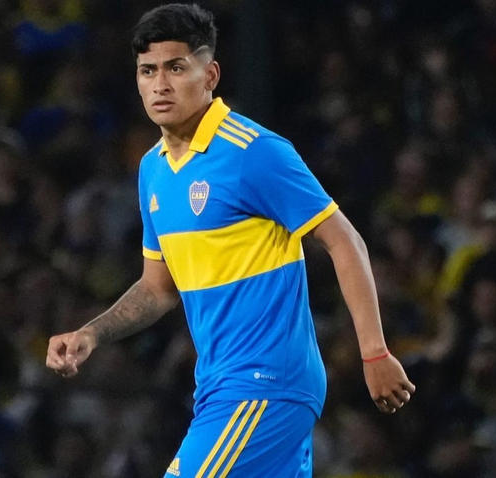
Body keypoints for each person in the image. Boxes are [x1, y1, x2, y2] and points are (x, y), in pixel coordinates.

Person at [46, 4, 416, 477]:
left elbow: (345, 241)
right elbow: (158, 288)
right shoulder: (153, 169)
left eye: (176, 67)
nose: (160, 84)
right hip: (220, 387)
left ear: (210, 74)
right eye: (148, 70)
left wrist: (375, 352)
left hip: (264, 382)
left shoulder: (253, 151)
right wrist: (91, 334)